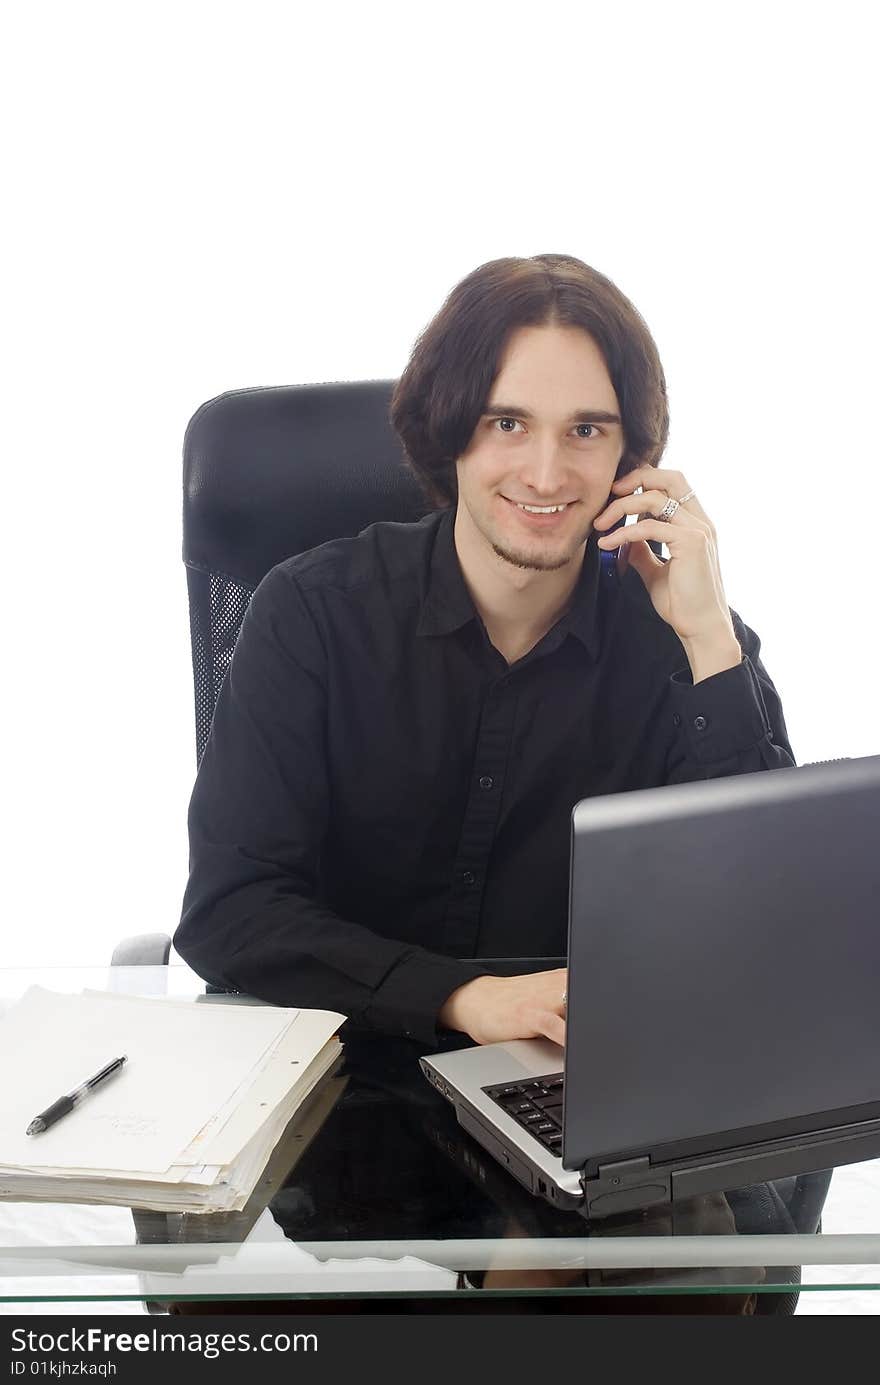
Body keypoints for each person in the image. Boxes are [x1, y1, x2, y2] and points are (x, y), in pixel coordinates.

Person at [174, 253, 794, 1051]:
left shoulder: (681, 639)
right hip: (338, 1073)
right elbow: (233, 909)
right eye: (508, 423)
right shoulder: (310, 614)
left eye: (586, 430)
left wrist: (710, 637)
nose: (546, 473)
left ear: (629, 457)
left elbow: (764, 924)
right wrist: (462, 997)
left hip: (582, 1081)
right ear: (450, 429)